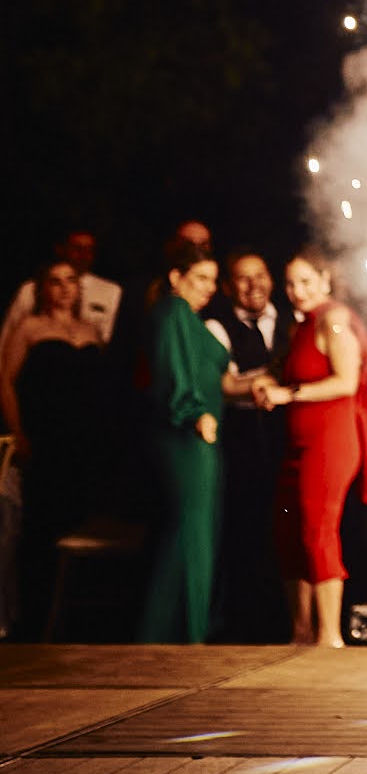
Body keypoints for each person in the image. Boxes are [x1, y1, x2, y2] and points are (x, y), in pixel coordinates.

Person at [253, 251, 367, 649]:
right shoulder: (300, 326)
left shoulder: (334, 320)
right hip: (299, 443)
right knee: (289, 532)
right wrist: (265, 384)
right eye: (290, 283)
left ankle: (329, 637)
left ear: (325, 280)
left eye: (306, 281)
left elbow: (345, 382)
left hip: (330, 442)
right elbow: (284, 370)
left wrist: (287, 394)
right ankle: (301, 633)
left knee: (316, 531)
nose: (297, 291)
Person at [137, 242, 259, 643]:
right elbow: (171, 372)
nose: (208, 287)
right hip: (186, 435)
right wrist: (193, 413)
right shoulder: (173, 311)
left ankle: (181, 632)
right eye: (200, 278)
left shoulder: (191, 318)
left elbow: (224, 382)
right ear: (176, 277)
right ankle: (172, 635)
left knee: (196, 531)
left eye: (212, 280)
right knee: (189, 530)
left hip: (202, 437)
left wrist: (269, 376)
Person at [0, 261, 107, 636]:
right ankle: (35, 621)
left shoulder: (91, 329)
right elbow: (5, 381)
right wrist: (18, 432)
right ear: (42, 288)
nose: (63, 288)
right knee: (43, 526)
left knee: (82, 520)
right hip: (45, 438)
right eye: (55, 281)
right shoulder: (29, 327)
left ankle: (76, 624)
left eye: (70, 280)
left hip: (86, 442)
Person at [205, 252, 289, 642]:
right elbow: (223, 386)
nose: (254, 285)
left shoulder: (291, 320)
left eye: (260, 275)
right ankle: (242, 626)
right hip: (240, 439)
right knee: (244, 528)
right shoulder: (217, 327)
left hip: (285, 434)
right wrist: (270, 377)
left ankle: (282, 621)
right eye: (243, 278)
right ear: (227, 287)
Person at [0, 231, 120, 354]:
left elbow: (108, 342)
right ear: (61, 249)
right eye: (77, 248)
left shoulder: (110, 291)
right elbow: (7, 336)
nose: (83, 254)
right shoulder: (30, 289)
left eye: (89, 249)